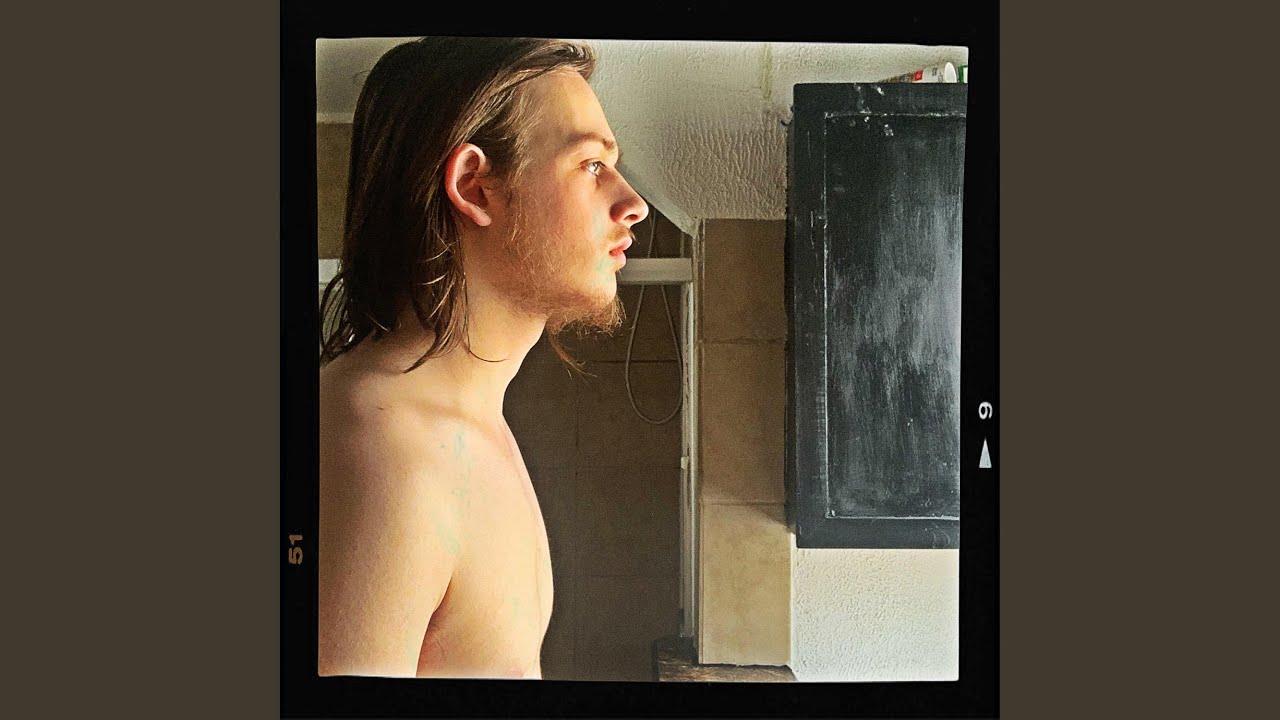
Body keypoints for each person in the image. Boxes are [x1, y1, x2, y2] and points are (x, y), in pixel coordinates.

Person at [316, 37, 648, 678]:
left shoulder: (464, 419)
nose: (632, 203)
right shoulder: (385, 451)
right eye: (590, 165)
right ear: (475, 187)